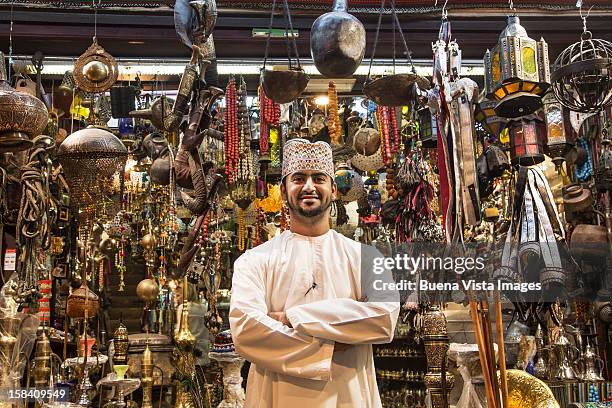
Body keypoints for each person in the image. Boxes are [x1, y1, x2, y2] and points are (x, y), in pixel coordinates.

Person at [229, 139, 400, 408]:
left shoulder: (367, 258)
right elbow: (247, 331)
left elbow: (384, 318)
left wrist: (293, 317)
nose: (309, 186)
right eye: (298, 178)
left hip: (349, 397)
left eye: (318, 178)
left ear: (333, 189)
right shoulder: (254, 261)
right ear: (284, 190)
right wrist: (332, 343)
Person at [175, 281, 210, 365]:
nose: (177, 299)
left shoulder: (183, 308)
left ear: (186, 294)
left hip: (189, 351)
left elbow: (179, 332)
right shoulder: (204, 308)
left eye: (178, 295)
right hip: (204, 350)